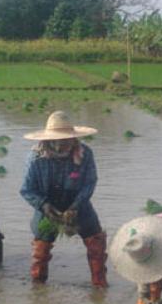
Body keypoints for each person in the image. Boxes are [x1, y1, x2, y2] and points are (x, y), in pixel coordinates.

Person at [20, 111, 107, 287]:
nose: (63, 144)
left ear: (73, 138)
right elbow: (27, 190)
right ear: (49, 140)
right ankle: (38, 288)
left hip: (79, 204)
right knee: (41, 251)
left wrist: (75, 207)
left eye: (67, 140)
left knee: (96, 245)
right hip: (47, 206)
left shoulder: (84, 154)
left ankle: (99, 286)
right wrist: (44, 206)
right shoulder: (36, 159)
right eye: (58, 140)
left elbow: (89, 183)